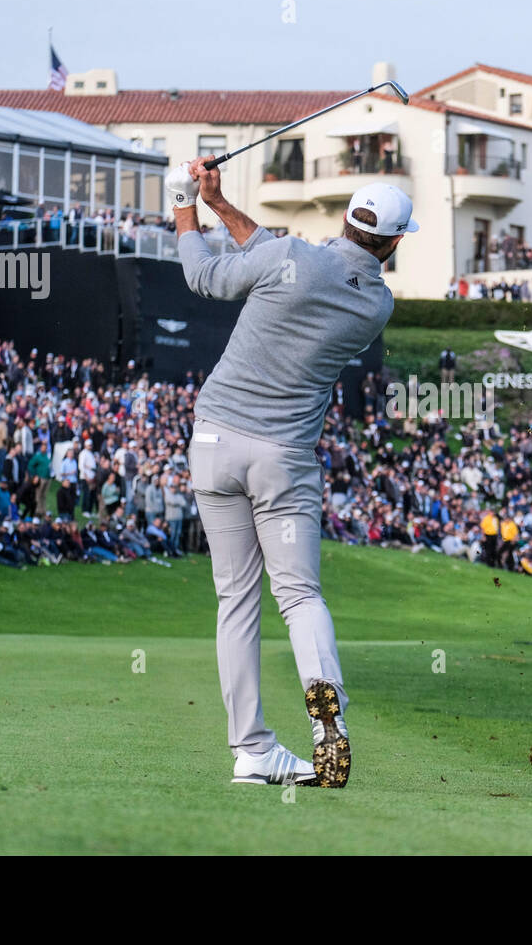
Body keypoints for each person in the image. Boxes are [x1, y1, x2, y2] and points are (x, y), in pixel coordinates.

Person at [168, 156, 417, 787]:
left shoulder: (292, 257)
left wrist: (183, 207)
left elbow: (204, 276)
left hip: (215, 440)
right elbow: (279, 257)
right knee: (299, 595)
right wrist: (220, 207)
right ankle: (323, 700)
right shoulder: (376, 305)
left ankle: (251, 749)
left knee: (236, 601)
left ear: (343, 218)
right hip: (282, 458)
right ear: (390, 244)